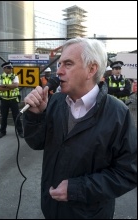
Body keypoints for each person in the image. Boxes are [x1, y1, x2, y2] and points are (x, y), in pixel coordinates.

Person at [22, 38, 137, 219]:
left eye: (68, 64)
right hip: (51, 208)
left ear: (91, 69)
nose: (58, 71)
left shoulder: (118, 114)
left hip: (90, 214)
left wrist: (77, 189)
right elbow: (37, 143)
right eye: (59, 64)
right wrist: (36, 116)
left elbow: (129, 172)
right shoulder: (56, 102)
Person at [0, 61, 24, 138]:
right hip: (4, 100)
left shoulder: (15, 76)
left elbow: (16, 85)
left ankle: (20, 131)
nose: (11, 69)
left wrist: (4, 86)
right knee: (4, 116)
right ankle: (2, 132)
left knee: (16, 116)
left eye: (11, 68)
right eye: (9, 68)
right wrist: (10, 86)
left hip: (13, 99)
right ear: (4, 68)